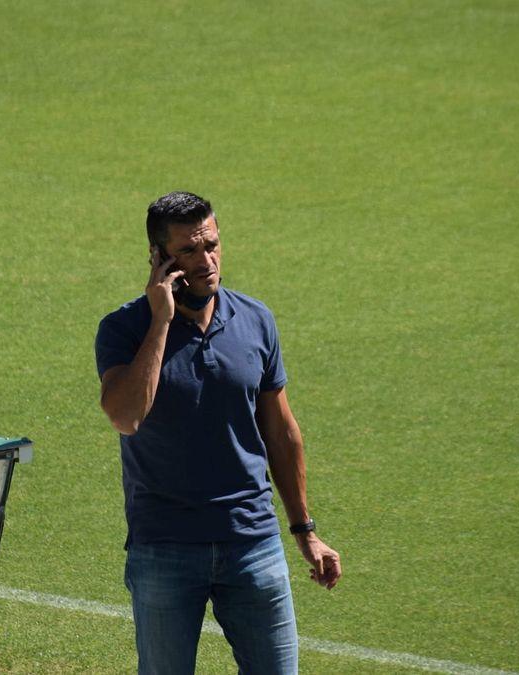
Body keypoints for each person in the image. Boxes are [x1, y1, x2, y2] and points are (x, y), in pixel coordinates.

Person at [94, 191, 342, 674]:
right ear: (159, 258)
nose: (207, 261)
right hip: (164, 548)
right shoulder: (124, 329)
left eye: (212, 244)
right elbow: (126, 416)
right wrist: (162, 320)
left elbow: (281, 431)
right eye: (189, 250)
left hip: (253, 543)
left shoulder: (255, 320)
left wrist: (305, 532)